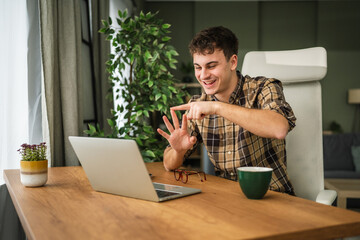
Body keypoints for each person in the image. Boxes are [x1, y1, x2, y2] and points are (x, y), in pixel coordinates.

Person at [157, 26, 296, 195]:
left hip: (272, 197)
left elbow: (279, 128)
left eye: (211, 66)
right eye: (198, 67)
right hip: (227, 199)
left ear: (233, 62)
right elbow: (168, 164)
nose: (203, 75)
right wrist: (178, 151)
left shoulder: (263, 88)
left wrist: (217, 107)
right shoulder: (198, 105)